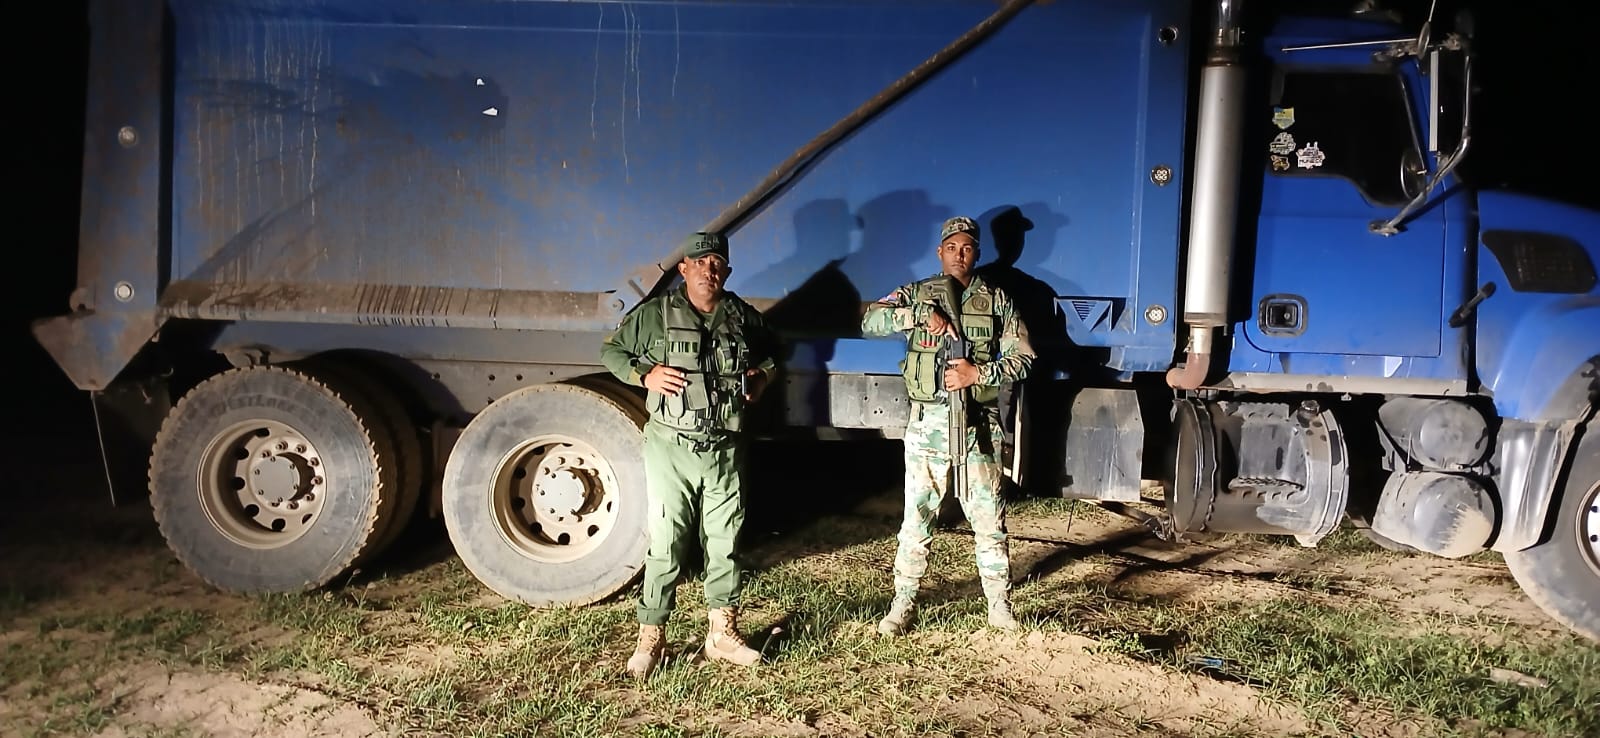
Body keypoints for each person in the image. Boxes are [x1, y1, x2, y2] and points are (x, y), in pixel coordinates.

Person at [600, 231, 783, 678]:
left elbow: (773, 355)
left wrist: (762, 376)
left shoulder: (740, 316)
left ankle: (722, 633)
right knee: (666, 543)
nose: (709, 270)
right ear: (684, 269)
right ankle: (653, 636)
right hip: (671, 448)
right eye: (699, 263)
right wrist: (645, 374)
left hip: (724, 449)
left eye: (717, 262)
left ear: (727, 271)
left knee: (725, 542)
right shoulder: (657, 316)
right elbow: (612, 351)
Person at [860, 215, 1036, 635]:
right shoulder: (917, 294)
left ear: (977, 253)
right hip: (929, 426)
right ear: (940, 252)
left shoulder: (996, 299)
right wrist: (920, 316)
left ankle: (999, 606)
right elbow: (870, 322)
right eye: (952, 247)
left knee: (989, 519)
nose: (960, 254)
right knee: (917, 517)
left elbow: (1024, 356)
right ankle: (903, 604)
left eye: (968, 248)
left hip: (979, 426)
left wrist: (978, 375)